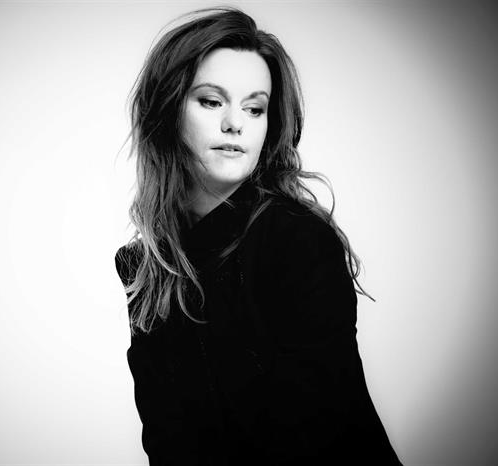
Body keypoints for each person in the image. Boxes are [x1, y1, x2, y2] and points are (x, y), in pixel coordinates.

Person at [114, 6, 402, 465]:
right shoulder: (145, 267)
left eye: (254, 108)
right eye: (211, 101)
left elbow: (320, 431)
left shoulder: (298, 240)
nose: (236, 123)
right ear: (167, 111)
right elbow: (166, 439)